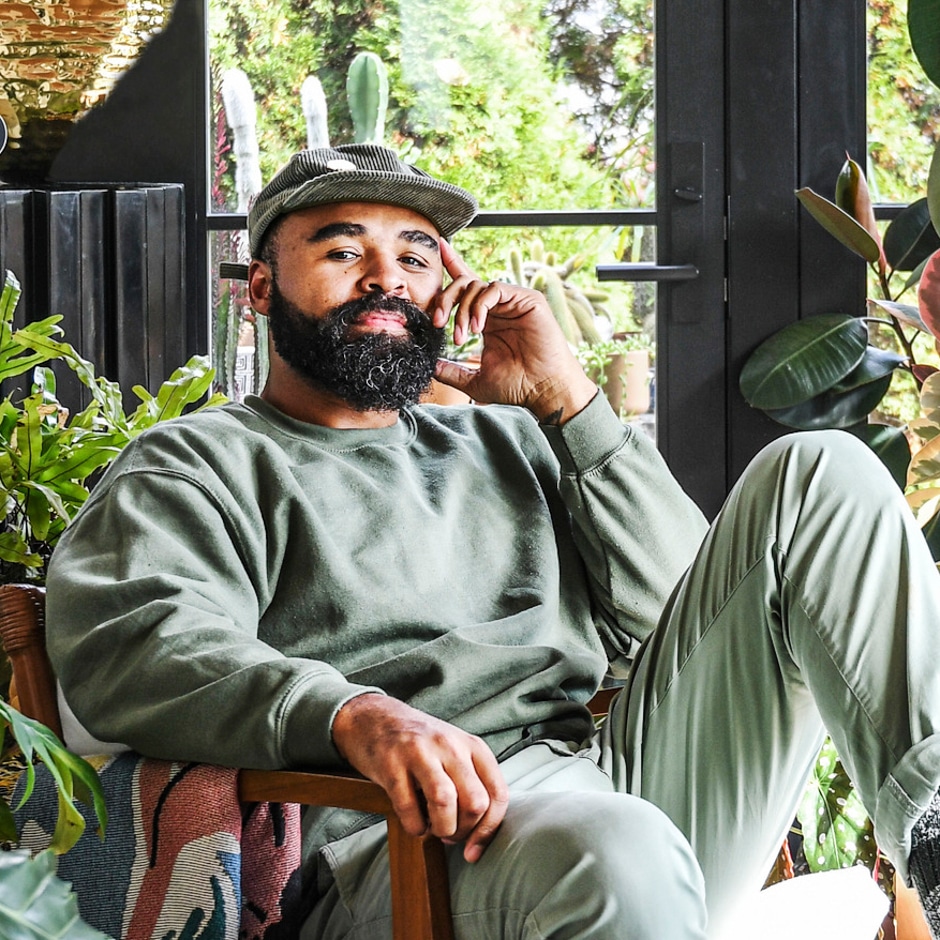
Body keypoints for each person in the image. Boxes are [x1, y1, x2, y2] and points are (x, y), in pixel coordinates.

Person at [46, 143, 940, 940]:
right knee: (615, 851)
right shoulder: (200, 463)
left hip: (614, 786)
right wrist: (349, 712)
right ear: (260, 290)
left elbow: (686, 605)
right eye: (342, 249)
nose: (384, 278)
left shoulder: (507, 438)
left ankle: (936, 841)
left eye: (415, 254)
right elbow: (136, 643)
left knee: (822, 468)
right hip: (400, 843)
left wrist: (567, 403)